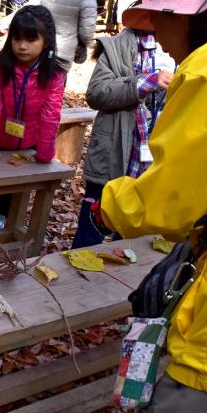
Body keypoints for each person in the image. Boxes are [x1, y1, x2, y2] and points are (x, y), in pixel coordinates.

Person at [90, 0, 207, 413]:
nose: (158, 35)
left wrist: (111, 204)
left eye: (159, 19)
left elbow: (171, 204)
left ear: (187, 15)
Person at [0, 6, 65, 232]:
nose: (22, 45)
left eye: (30, 39)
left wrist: (45, 153)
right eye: (17, 38)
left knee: (14, 183)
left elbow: (51, 115)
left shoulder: (54, 75)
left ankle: (0, 212)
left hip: (29, 142)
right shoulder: (0, 67)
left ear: (46, 41)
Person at [71, 26, 175, 249]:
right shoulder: (120, 45)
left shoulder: (187, 49)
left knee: (133, 235)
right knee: (93, 222)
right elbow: (96, 93)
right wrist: (145, 83)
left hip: (156, 159)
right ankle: (78, 272)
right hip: (113, 152)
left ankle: (122, 279)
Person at [39, 0, 97, 73]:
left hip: (43, 44)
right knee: (57, 80)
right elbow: (87, 32)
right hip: (65, 51)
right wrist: (86, 44)